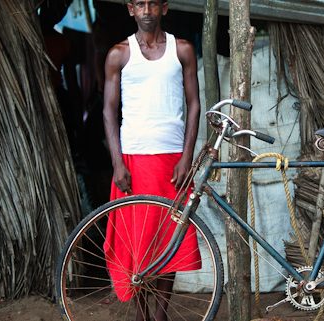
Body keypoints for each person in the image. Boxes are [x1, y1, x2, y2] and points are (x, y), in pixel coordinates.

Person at [101, 1, 201, 320]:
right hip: (134, 158)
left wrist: (187, 157)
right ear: (131, 9)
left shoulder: (181, 49)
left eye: (153, 4)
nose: (147, 10)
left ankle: (160, 314)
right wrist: (117, 162)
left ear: (164, 8)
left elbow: (194, 105)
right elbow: (107, 111)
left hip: (172, 159)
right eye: (140, 4)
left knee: (169, 239)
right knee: (138, 244)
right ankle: (144, 314)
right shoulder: (119, 54)